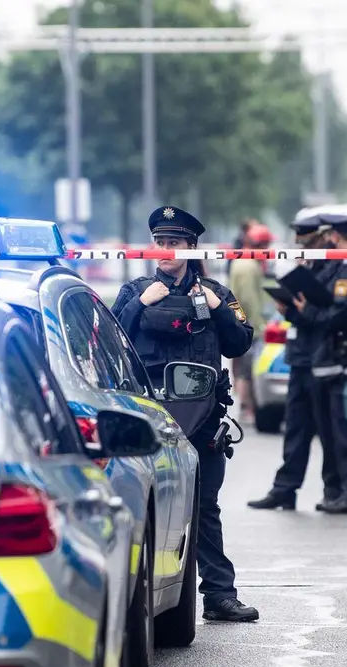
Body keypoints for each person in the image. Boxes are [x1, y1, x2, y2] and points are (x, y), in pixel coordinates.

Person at [111, 205, 260, 624]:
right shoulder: (135, 291)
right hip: (150, 421)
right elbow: (111, 339)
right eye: (160, 242)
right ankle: (141, 595)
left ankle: (218, 595)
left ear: (192, 249)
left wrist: (215, 307)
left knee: (204, 506)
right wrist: (141, 304)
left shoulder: (215, 293)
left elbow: (240, 344)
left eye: (174, 243)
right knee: (146, 506)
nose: (165, 250)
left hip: (203, 420)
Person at [247, 213, 345, 511]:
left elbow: (332, 315)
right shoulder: (304, 265)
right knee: (296, 428)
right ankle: (285, 489)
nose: (301, 243)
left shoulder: (334, 267)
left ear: (322, 237)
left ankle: (334, 488)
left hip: (324, 357)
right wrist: (288, 308)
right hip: (301, 356)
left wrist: (304, 306)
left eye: (306, 238)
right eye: (299, 238)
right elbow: (304, 317)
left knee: (327, 429)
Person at [293, 212, 347, 514]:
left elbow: (343, 314)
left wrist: (308, 313)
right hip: (342, 359)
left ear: (333, 235)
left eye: (326, 234)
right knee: (342, 431)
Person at [226, 223, 273, 422]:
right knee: (247, 369)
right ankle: (247, 408)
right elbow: (249, 299)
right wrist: (256, 325)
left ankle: (246, 406)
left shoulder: (242, 260)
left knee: (242, 367)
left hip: (238, 321)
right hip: (248, 324)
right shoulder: (248, 265)